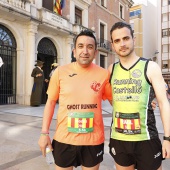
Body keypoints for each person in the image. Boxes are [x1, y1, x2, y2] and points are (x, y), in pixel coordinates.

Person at [38, 30, 112, 170]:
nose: (85, 51)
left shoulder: (103, 74)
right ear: (74, 51)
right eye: (81, 46)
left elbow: (115, 101)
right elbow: (51, 102)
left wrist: (144, 103)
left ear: (95, 52)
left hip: (93, 141)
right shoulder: (60, 72)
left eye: (90, 47)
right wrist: (44, 133)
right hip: (64, 139)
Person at [108, 21, 170, 170]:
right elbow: (113, 99)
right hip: (119, 138)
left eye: (126, 38)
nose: (122, 44)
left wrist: (167, 138)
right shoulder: (111, 70)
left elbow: (163, 103)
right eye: (117, 40)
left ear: (134, 40)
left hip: (146, 139)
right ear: (112, 45)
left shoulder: (151, 67)